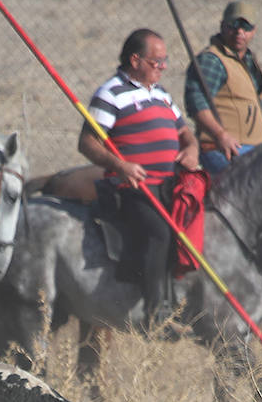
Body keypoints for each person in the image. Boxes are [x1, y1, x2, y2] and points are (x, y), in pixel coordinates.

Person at [79, 28, 200, 331]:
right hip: (132, 187)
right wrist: (120, 165)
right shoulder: (110, 94)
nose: (163, 67)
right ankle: (157, 313)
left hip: (170, 183)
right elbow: (88, 143)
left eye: (165, 61)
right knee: (159, 231)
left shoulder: (161, 95)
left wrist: (192, 149)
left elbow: (185, 133)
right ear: (135, 60)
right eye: (157, 61)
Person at [183, 0, 262, 174]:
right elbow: (197, 103)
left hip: (253, 149)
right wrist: (220, 135)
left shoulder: (247, 61)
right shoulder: (212, 60)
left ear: (254, 31)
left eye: (246, 26)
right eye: (233, 25)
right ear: (222, 26)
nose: (239, 32)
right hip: (221, 149)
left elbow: (259, 103)